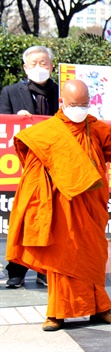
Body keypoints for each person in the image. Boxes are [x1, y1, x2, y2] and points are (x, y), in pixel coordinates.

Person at [6, 79, 111, 331]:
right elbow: (33, 175)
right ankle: (57, 312)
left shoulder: (95, 127)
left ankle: (100, 308)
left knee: (93, 256)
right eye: (75, 104)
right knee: (62, 258)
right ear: (62, 102)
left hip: (91, 204)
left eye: (85, 104)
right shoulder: (45, 133)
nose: (80, 108)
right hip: (61, 206)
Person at [0, 45, 58, 288]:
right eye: (33, 64)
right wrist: (18, 121)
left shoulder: (62, 92)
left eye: (44, 63)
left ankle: (46, 269)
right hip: (23, 167)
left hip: (54, 166)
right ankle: (17, 269)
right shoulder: (11, 92)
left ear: (52, 66)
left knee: (52, 220)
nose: (39, 68)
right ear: (25, 67)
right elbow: (3, 125)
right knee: (23, 218)